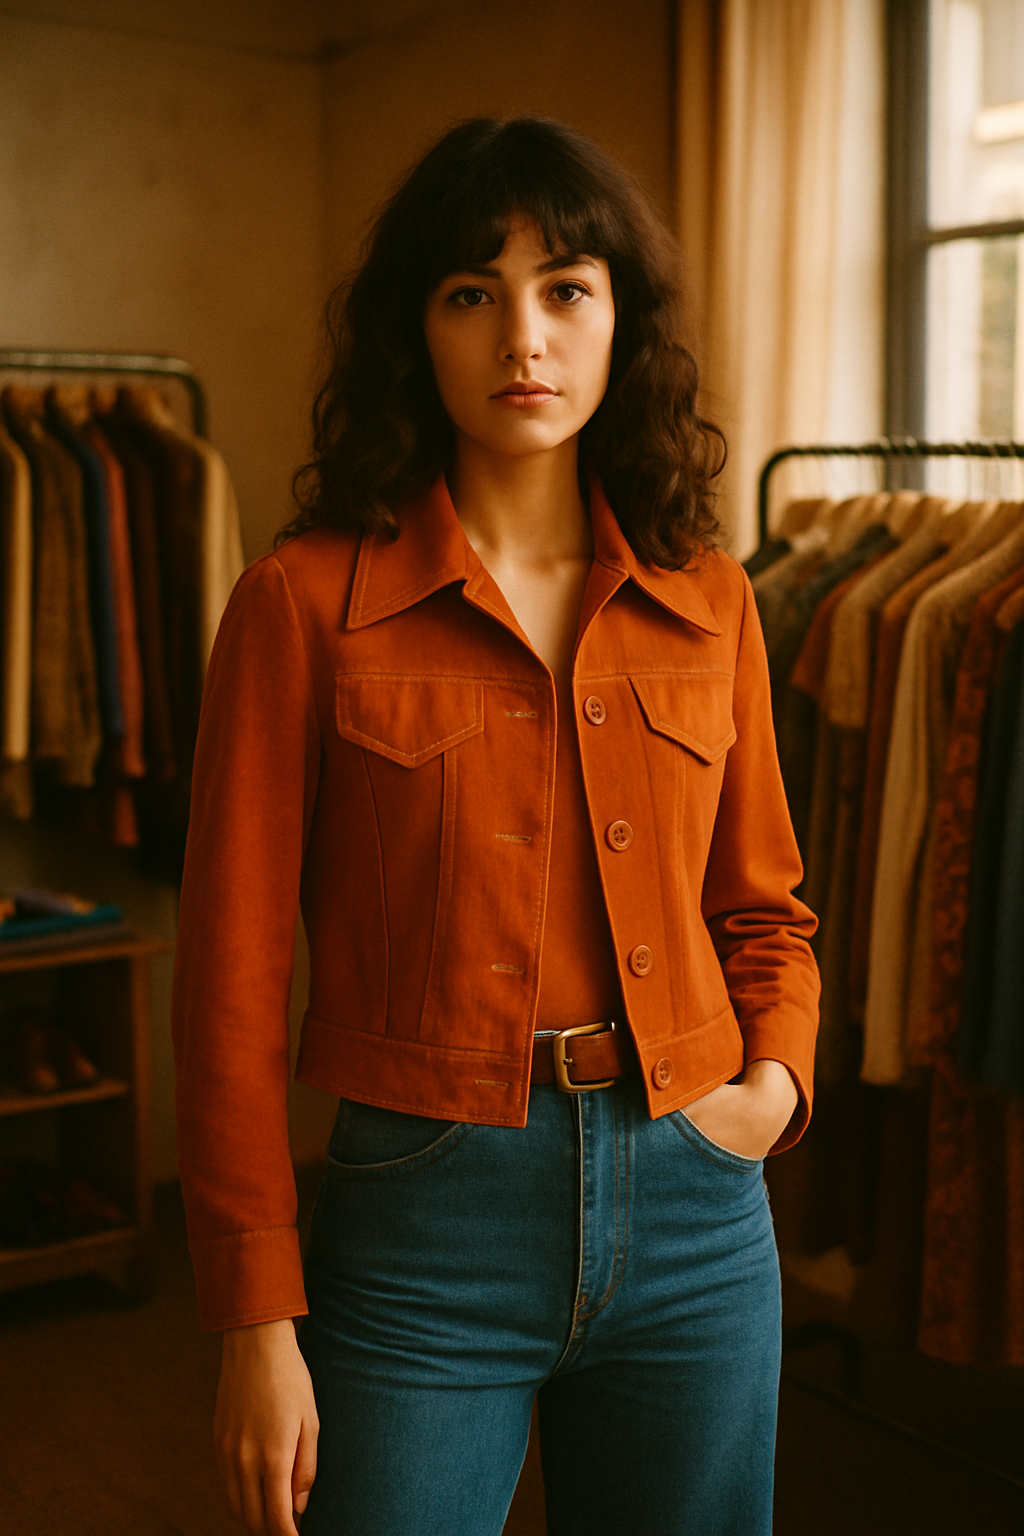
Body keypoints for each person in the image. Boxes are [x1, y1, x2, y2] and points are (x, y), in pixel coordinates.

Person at [171, 116, 819, 1536]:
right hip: (422, 1219)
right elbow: (227, 983)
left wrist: (770, 1093)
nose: (522, 335)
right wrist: (252, 1321)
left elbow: (764, 908)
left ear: (619, 319)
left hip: (700, 1205)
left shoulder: (710, 595)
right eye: (473, 293)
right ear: (421, 326)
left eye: (565, 288)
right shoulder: (299, 601)